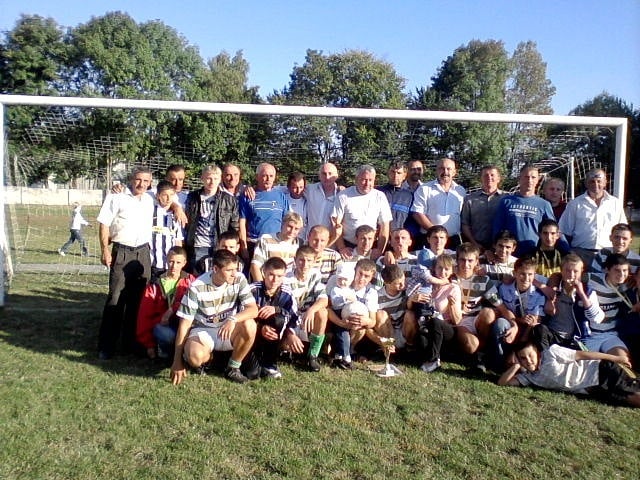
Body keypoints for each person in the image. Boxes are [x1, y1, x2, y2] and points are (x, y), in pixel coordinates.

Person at [170, 249, 259, 385]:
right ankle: (209, 360)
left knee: (250, 324)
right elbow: (184, 325)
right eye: (229, 270)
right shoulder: (196, 287)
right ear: (215, 269)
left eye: (235, 269)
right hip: (203, 329)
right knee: (195, 357)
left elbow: (253, 309)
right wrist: (177, 361)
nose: (234, 273)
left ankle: (233, 368)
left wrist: (233, 319)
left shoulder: (239, 279)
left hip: (228, 327)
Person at [97, 166, 154, 359]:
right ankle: (106, 346)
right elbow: (104, 224)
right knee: (115, 298)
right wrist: (105, 250)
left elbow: (170, 197)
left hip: (143, 253)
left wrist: (177, 208)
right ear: (131, 179)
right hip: (122, 251)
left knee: (137, 301)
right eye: (138, 179)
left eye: (146, 181)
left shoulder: (150, 198)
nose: (142, 184)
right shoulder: (117, 196)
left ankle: (131, 344)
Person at [498, 330, 640, 407]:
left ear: (537, 352)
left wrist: (616, 358)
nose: (528, 361)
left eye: (530, 355)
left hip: (602, 371)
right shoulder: (529, 377)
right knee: (631, 400)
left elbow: (583, 355)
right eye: (523, 358)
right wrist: (516, 366)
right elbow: (502, 383)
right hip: (597, 389)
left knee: (636, 395)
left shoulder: (551, 353)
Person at [487, 257, 546, 373]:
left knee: (538, 330)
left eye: (530, 274)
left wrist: (524, 337)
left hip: (528, 331)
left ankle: (531, 366)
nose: (526, 278)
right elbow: (502, 310)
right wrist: (518, 322)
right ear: (514, 273)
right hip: (511, 323)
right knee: (500, 323)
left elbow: (535, 320)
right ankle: (499, 363)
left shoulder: (539, 294)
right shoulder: (504, 288)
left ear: (534, 275)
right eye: (522, 274)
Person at [559, 168, 628, 266]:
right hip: (580, 254)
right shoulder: (574, 204)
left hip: (608, 254)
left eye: (599, 181)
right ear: (586, 183)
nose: (596, 184)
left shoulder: (615, 203)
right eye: (592, 181)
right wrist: (568, 252)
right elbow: (564, 231)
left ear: (605, 182)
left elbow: (623, 230)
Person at [136, 246, 195, 359]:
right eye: (171, 261)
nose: (174, 266)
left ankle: (185, 355)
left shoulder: (191, 281)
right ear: (166, 260)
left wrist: (172, 309)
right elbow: (144, 316)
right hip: (163, 325)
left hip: (185, 323)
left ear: (184, 263)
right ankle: (164, 351)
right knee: (168, 336)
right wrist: (149, 344)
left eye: (178, 262)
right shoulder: (154, 285)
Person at [184, 165, 239, 275]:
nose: (212, 182)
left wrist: (229, 244)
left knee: (219, 275)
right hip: (198, 245)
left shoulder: (229, 199)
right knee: (198, 276)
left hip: (219, 246)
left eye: (215, 178)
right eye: (208, 178)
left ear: (220, 179)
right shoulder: (192, 197)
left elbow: (234, 226)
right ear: (202, 178)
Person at [451, 243, 501, 365]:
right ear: (457, 260)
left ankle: (482, 353)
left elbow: (499, 304)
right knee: (472, 345)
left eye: (470, 260)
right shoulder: (449, 277)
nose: (466, 264)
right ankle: (476, 353)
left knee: (488, 313)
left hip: (476, 319)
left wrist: (514, 323)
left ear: (476, 261)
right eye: (462, 260)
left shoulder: (483, 279)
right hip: (459, 320)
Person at [250, 257, 298, 379]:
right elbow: (241, 313)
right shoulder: (252, 289)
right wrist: (260, 327)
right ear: (263, 272)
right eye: (271, 275)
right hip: (252, 334)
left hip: (274, 336)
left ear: (284, 276)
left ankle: (269, 363)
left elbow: (293, 316)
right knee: (252, 374)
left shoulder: (287, 293)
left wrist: (277, 309)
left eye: (279, 276)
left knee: (279, 318)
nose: (275, 280)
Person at [283, 245, 329, 372]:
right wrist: (289, 333)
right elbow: (283, 308)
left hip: (306, 318)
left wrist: (311, 310)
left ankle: (313, 355)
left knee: (322, 312)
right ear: (295, 260)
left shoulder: (315, 274)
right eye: (301, 260)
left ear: (314, 262)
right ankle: (285, 350)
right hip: (289, 318)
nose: (305, 264)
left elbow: (324, 299)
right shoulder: (286, 278)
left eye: (309, 261)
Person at [492, 165, 556, 257]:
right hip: (508, 253)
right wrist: (493, 249)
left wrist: (565, 249)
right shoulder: (506, 201)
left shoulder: (544, 204)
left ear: (538, 180)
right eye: (526, 177)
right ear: (519, 179)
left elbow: (553, 229)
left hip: (533, 253)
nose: (529, 180)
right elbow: (497, 228)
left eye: (533, 177)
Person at [326, 258, 379, 369]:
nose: (362, 278)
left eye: (366, 276)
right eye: (360, 273)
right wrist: (341, 323)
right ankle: (331, 352)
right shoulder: (340, 281)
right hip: (335, 320)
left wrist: (366, 321)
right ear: (355, 271)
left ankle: (348, 352)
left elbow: (373, 321)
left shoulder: (371, 293)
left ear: (372, 277)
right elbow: (328, 308)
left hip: (353, 326)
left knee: (362, 328)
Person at [332, 164, 392, 260]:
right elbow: (336, 224)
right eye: (363, 179)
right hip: (348, 248)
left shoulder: (380, 196)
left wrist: (379, 250)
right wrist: (342, 248)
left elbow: (385, 225)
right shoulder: (343, 196)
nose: (367, 183)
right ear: (356, 180)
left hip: (371, 247)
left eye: (370, 180)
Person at [542, 254, 604, 348]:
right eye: (567, 270)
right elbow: (531, 277)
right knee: (539, 329)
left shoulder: (587, 291)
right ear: (561, 270)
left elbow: (597, 319)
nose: (571, 275)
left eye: (575, 271)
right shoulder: (554, 285)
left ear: (581, 271)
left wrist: (582, 294)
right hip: (552, 333)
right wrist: (549, 299)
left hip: (576, 338)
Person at [414, 254, 462, 373]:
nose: (442, 272)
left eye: (446, 269)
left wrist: (451, 305)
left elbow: (457, 320)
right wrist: (412, 299)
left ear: (452, 271)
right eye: (439, 268)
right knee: (422, 337)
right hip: (427, 326)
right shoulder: (427, 285)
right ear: (434, 268)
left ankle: (433, 359)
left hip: (446, 328)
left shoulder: (453, 288)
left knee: (436, 321)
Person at [585, 254, 633, 365]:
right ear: (607, 269)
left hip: (610, 335)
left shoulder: (627, 284)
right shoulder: (592, 279)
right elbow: (564, 276)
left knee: (624, 362)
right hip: (588, 336)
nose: (621, 275)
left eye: (625, 270)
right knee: (589, 369)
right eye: (617, 270)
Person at [411, 157, 466, 249]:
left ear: (454, 172)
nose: (445, 172)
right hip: (430, 239)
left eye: (449, 169)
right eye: (441, 168)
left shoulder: (461, 191)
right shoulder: (425, 189)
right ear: (436, 171)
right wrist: (436, 233)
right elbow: (417, 213)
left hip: (454, 240)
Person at [238, 162, 289, 261]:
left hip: (275, 244)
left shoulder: (281, 196)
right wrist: (244, 247)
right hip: (254, 244)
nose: (268, 179)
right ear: (257, 177)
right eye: (264, 176)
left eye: (271, 176)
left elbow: (287, 221)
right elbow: (242, 223)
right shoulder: (247, 195)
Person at [461, 165, 505, 254]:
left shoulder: (507, 198)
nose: (489, 177)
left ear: (498, 178)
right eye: (485, 175)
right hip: (475, 247)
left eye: (492, 175)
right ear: (481, 178)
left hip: (500, 249)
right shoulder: (470, 199)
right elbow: (465, 224)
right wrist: (474, 243)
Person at [250, 211, 303, 282]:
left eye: (296, 229)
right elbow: (255, 266)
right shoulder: (266, 239)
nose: (292, 231)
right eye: (289, 227)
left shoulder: (300, 244)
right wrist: (261, 287)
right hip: (268, 283)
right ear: (282, 224)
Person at [149, 180, 183, 280]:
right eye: (164, 195)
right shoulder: (150, 211)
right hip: (153, 264)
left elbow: (178, 240)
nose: (168, 198)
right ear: (158, 196)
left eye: (171, 195)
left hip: (170, 266)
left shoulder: (176, 215)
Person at [377, 160, 414, 232]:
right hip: (379, 236)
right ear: (388, 173)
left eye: (399, 173)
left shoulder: (410, 197)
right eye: (393, 172)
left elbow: (413, 221)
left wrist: (407, 234)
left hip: (399, 237)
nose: (395, 175)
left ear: (404, 176)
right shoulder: (378, 193)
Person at [304, 162, 342, 235]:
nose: (327, 177)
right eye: (324, 174)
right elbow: (291, 188)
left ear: (336, 176)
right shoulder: (310, 190)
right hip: (310, 238)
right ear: (319, 176)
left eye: (330, 173)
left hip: (330, 240)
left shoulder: (342, 195)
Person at [285, 171, 308, 240]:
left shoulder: (308, 201)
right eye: (294, 187)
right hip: (285, 239)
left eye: (301, 187)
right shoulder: (283, 200)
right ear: (288, 187)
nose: (298, 191)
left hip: (302, 240)